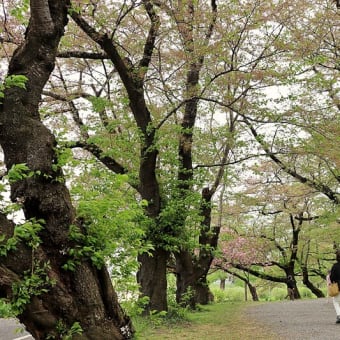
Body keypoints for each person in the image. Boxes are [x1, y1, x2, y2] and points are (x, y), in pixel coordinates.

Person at [330, 250, 340, 324]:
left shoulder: (335, 266)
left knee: (336, 301)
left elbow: (332, 277)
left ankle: (339, 315)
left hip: (338, 286)